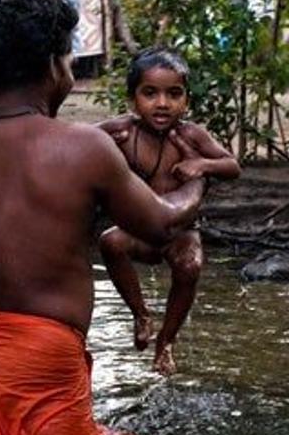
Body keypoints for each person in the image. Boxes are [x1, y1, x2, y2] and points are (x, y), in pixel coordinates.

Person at [0, 0, 206, 435]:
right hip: (42, 358)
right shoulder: (82, 147)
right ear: (52, 67)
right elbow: (163, 223)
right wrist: (197, 178)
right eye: (68, 59)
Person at [95, 49, 241, 375]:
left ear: (186, 100)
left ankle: (166, 341)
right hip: (140, 231)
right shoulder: (124, 132)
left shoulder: (190, 135)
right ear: (133, 99)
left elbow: (232, 166)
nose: (162, 103)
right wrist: (104, 144)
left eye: (174, 94)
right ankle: (140, 313)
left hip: (181, 233)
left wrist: (202, 163)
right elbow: (77, 141)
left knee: (190, 266)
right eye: (150, 93)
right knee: (109, 242)